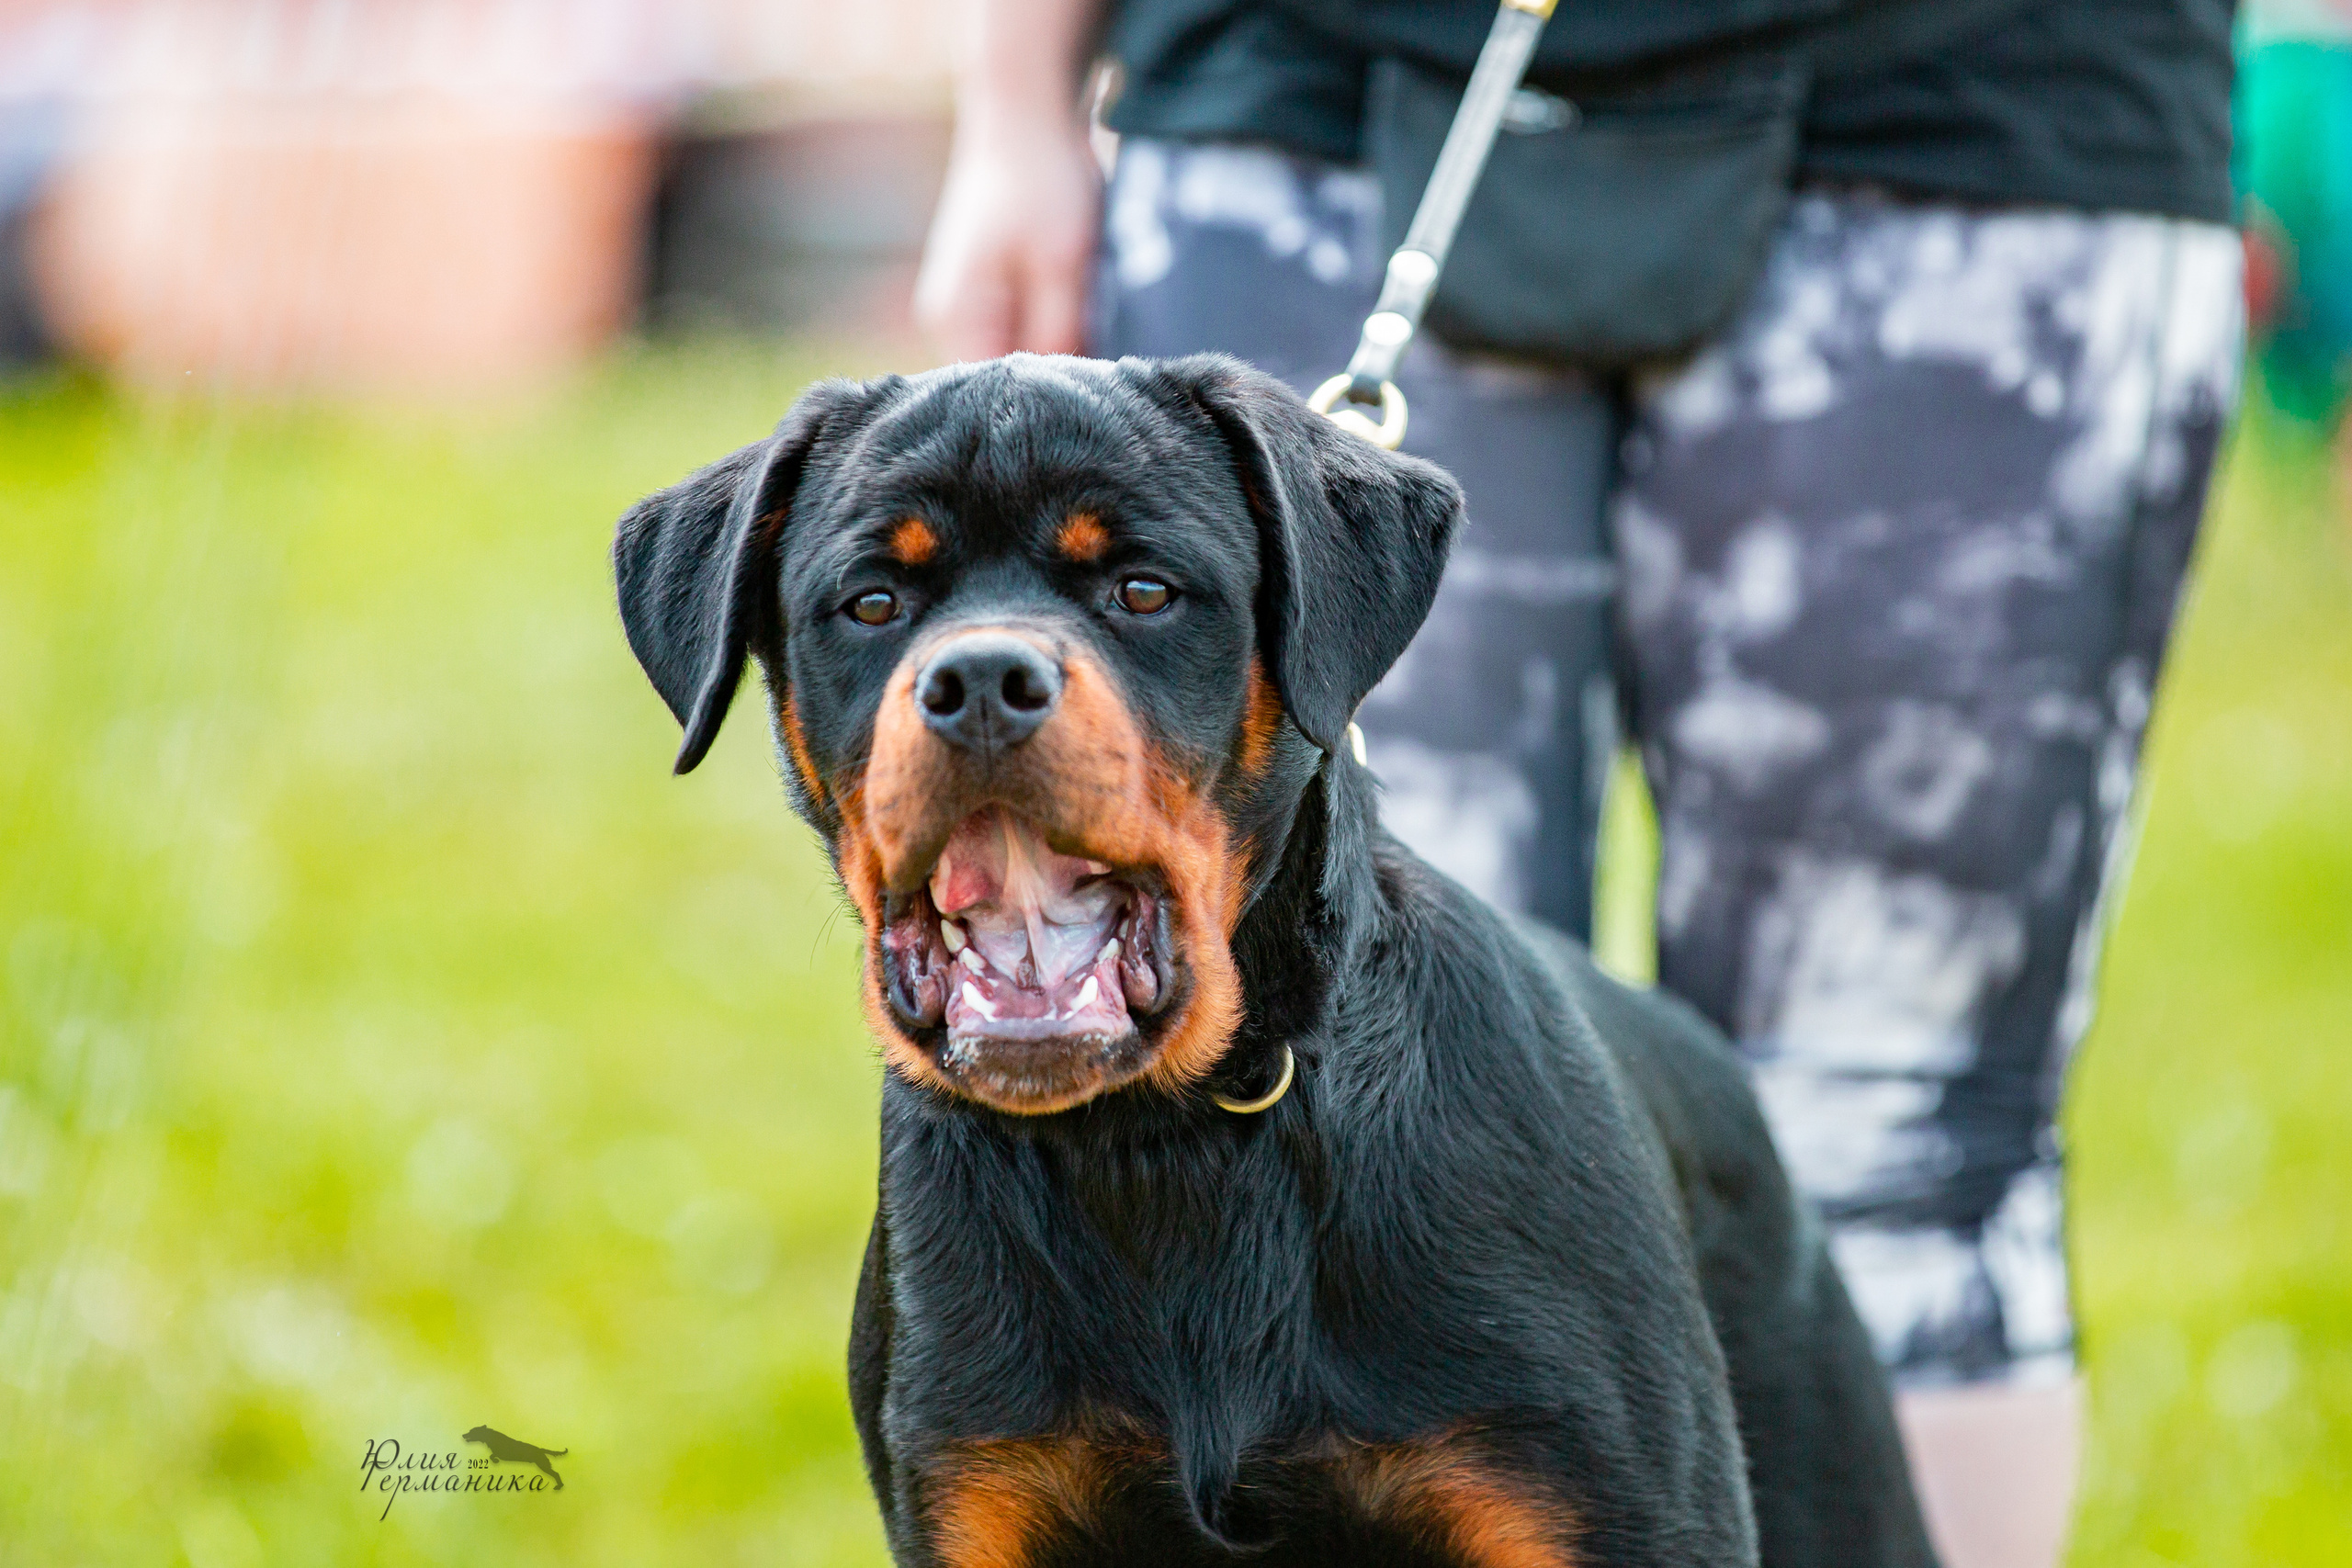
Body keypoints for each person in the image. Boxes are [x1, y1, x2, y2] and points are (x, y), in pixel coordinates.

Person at [914, 3, 2243, 1563]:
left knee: (1899, 1138)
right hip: (1306, 78)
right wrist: (1013, 103)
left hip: (1982, 92)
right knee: (1337, 1007)